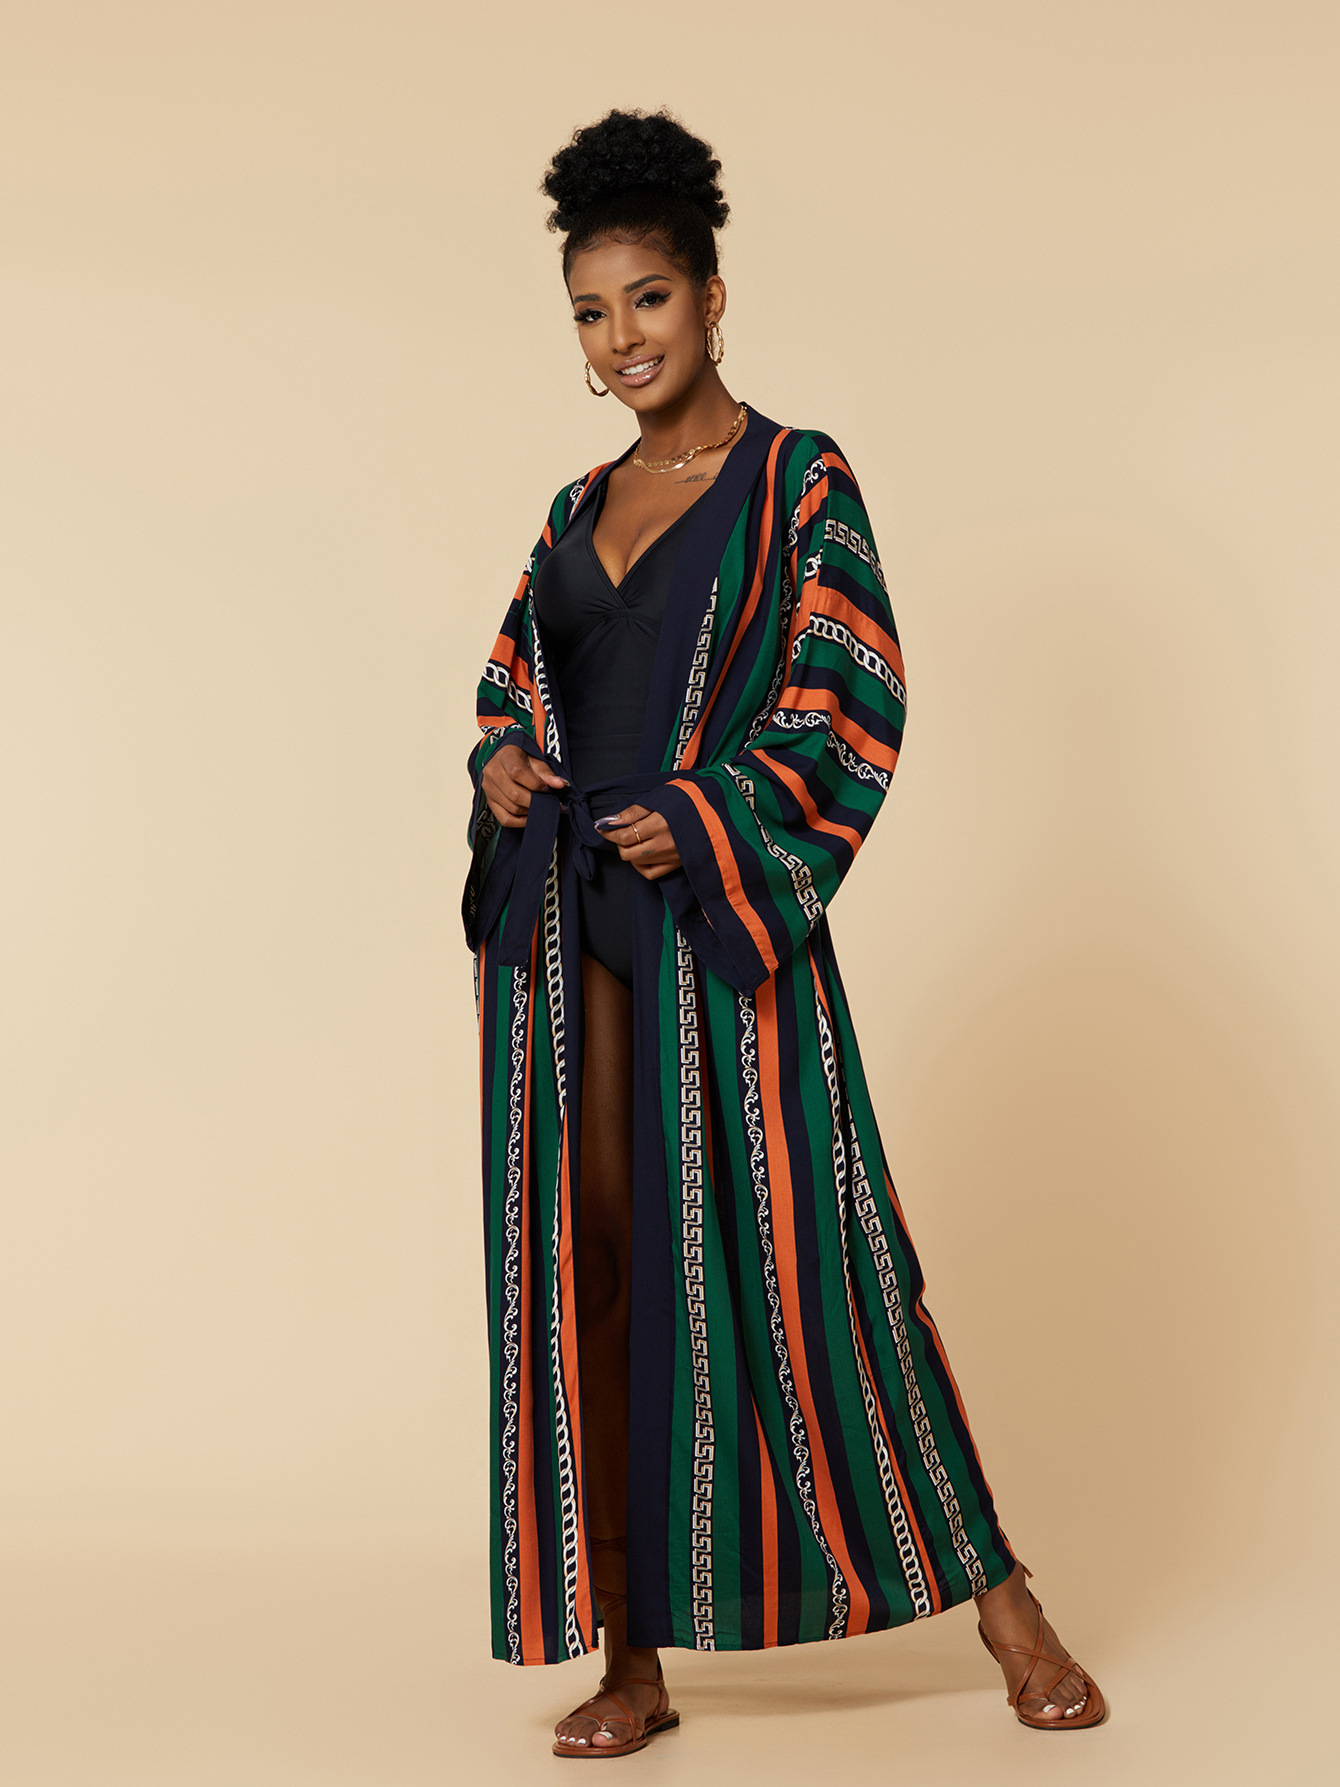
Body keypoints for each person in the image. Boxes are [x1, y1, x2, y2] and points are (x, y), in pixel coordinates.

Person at [462, 107, 1105, 1759]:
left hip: (716, 930)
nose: (622, 338)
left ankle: (1007, 1604)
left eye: (648, 300)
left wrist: (706, 812)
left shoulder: (797, 478)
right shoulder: (572, 507)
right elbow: (514, 680)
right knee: (593, 1274)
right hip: (562, 942)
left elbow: (850, 693)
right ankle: (632, 1656)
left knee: (822, 1265)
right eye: (591, 312)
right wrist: (501, 760)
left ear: (711, 294)